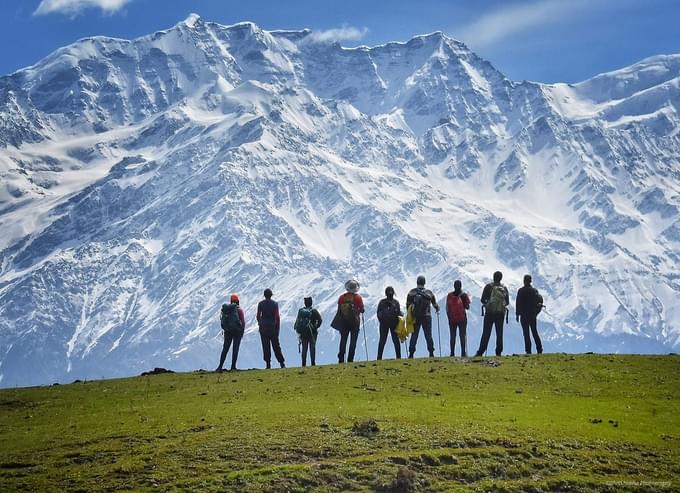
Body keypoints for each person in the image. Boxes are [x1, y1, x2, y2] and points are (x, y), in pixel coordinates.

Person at [475, 271, 509, 357]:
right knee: (499, 332)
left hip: (489, 312)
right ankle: (498, 352)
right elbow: (507, 302)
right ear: (501, 278)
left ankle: (481, 351)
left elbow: (482, 299)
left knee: (486, 333)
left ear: (493, 277)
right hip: (500, 313)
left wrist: (488, 303)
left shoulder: (488, 287)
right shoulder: (504, 288)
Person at [330, 279, 365, 363]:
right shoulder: (358, 298)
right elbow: (362, 309)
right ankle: (350, 359)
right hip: (355, 323)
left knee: (343, 340)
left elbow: (339, 311)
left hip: (344, 323)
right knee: (353, 342)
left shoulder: (341, 298)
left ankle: (341, 358)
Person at [406, 275, 440, 358]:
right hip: (427, 316)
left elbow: (407, 305)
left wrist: (411, 313)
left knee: (414, 335)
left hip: (416, 317)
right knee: (428, 335)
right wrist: (437, 308)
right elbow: (435, 304)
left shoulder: (412, 292)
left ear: (417, 282)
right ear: (424, 283)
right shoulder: (429, 293)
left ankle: (411, 354)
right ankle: (431, 352)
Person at [257, 288, 285, 369]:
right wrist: (276, 328)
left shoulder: (260, 304)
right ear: (271, 295)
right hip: (273, 328)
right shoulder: (275, 304)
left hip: (263, 329)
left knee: (266, 346)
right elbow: (277, 316)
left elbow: (258, 316)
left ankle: (268, 364)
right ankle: (281, 363)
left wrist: (260, 323)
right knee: (276, 346)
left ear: (264, 295)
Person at [216, 293, 245, 371]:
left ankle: (220, 366)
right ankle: (233, 366)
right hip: (237, 331)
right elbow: (242, 321)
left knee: (225, 348)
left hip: (227, 331)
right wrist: (242, 332)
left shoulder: (226, 310)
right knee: (235, 348)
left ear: (231, 301)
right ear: (238, 301)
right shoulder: (239, 310)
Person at [516, 274, 544, 354]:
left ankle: (528, 351)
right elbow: (539, 301)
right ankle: (539, 349)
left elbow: (518, 302)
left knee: (526, 333)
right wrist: (536, 312)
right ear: (530, 281)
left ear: (524, 281)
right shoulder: (534, 291)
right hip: (532, 315)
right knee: (534, 332)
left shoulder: (521, 291)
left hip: (524, 315)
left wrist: (517, 314)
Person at [294, 296, 323, 367]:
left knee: (304, 348)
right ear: (311, 303)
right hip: (312, 332)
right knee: (312, 347)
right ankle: (313, 363)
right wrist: (315, 327)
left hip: (303, 333)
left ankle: (303, 364)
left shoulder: (301, 311)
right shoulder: (314, 311)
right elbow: (320, 320)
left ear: (305, 303)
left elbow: (297, 322)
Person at [376, 286, 403, 360]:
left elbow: (378, 313)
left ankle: (379, 357)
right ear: (393, 293)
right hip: (394, 324)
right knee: (396, 341)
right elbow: (398, 313)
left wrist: (382, 321)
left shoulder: (382, 302)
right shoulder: (396, 302)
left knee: (382, 341)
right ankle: (398, 357)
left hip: (384, 324)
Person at [446, 280, 471, 357]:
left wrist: (449, 317)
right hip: (462, 318)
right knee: (462, 335)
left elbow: (447, 308)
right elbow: (467, 307)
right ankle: (463, 353)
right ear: (461, 286)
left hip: (452, 319)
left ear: (454, 286)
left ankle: (452, 353)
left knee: (452, 336)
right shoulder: (464, 295)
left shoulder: (449, 295)